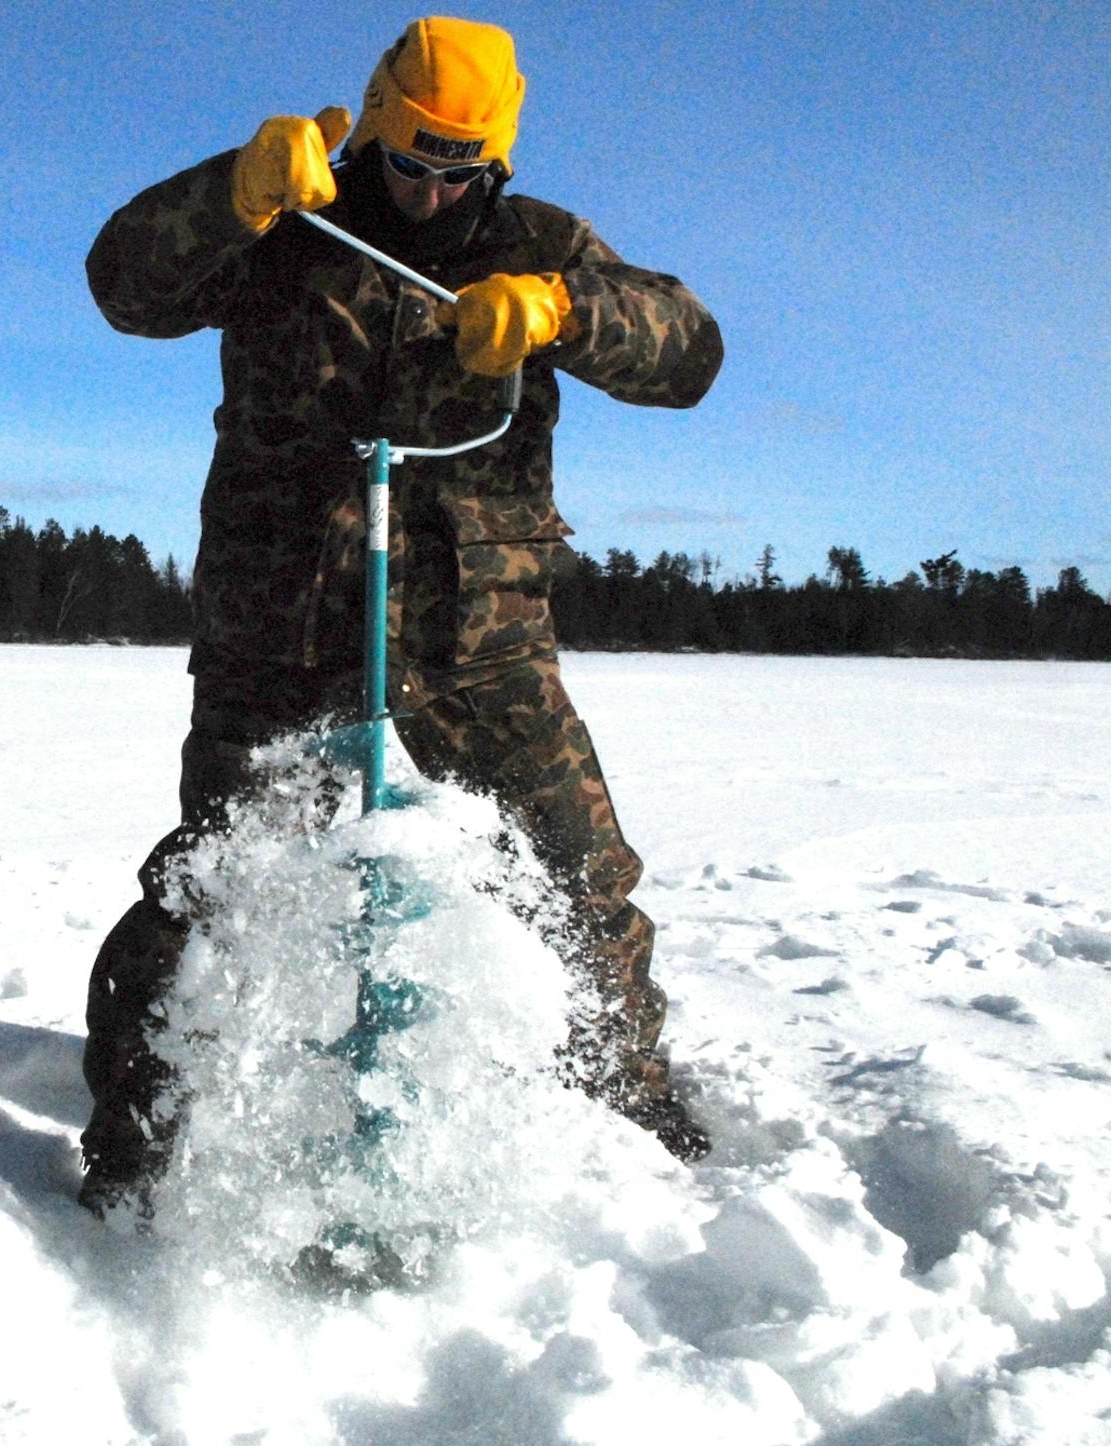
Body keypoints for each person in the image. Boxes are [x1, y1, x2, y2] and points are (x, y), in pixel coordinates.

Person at [78, 16, 724, 1213]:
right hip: (285, 627)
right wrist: (230, 192)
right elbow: (125, 286)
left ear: (497, 159)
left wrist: (563, 313)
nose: (430, 192)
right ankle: (137, 1151)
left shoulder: (541, 243)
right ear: (377, 122)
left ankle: (629, 1114)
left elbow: (689, 352)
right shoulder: (288, 211)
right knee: (211, 887)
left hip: (480, 637)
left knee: (579, 881)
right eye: (413, 159)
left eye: (458, 170)